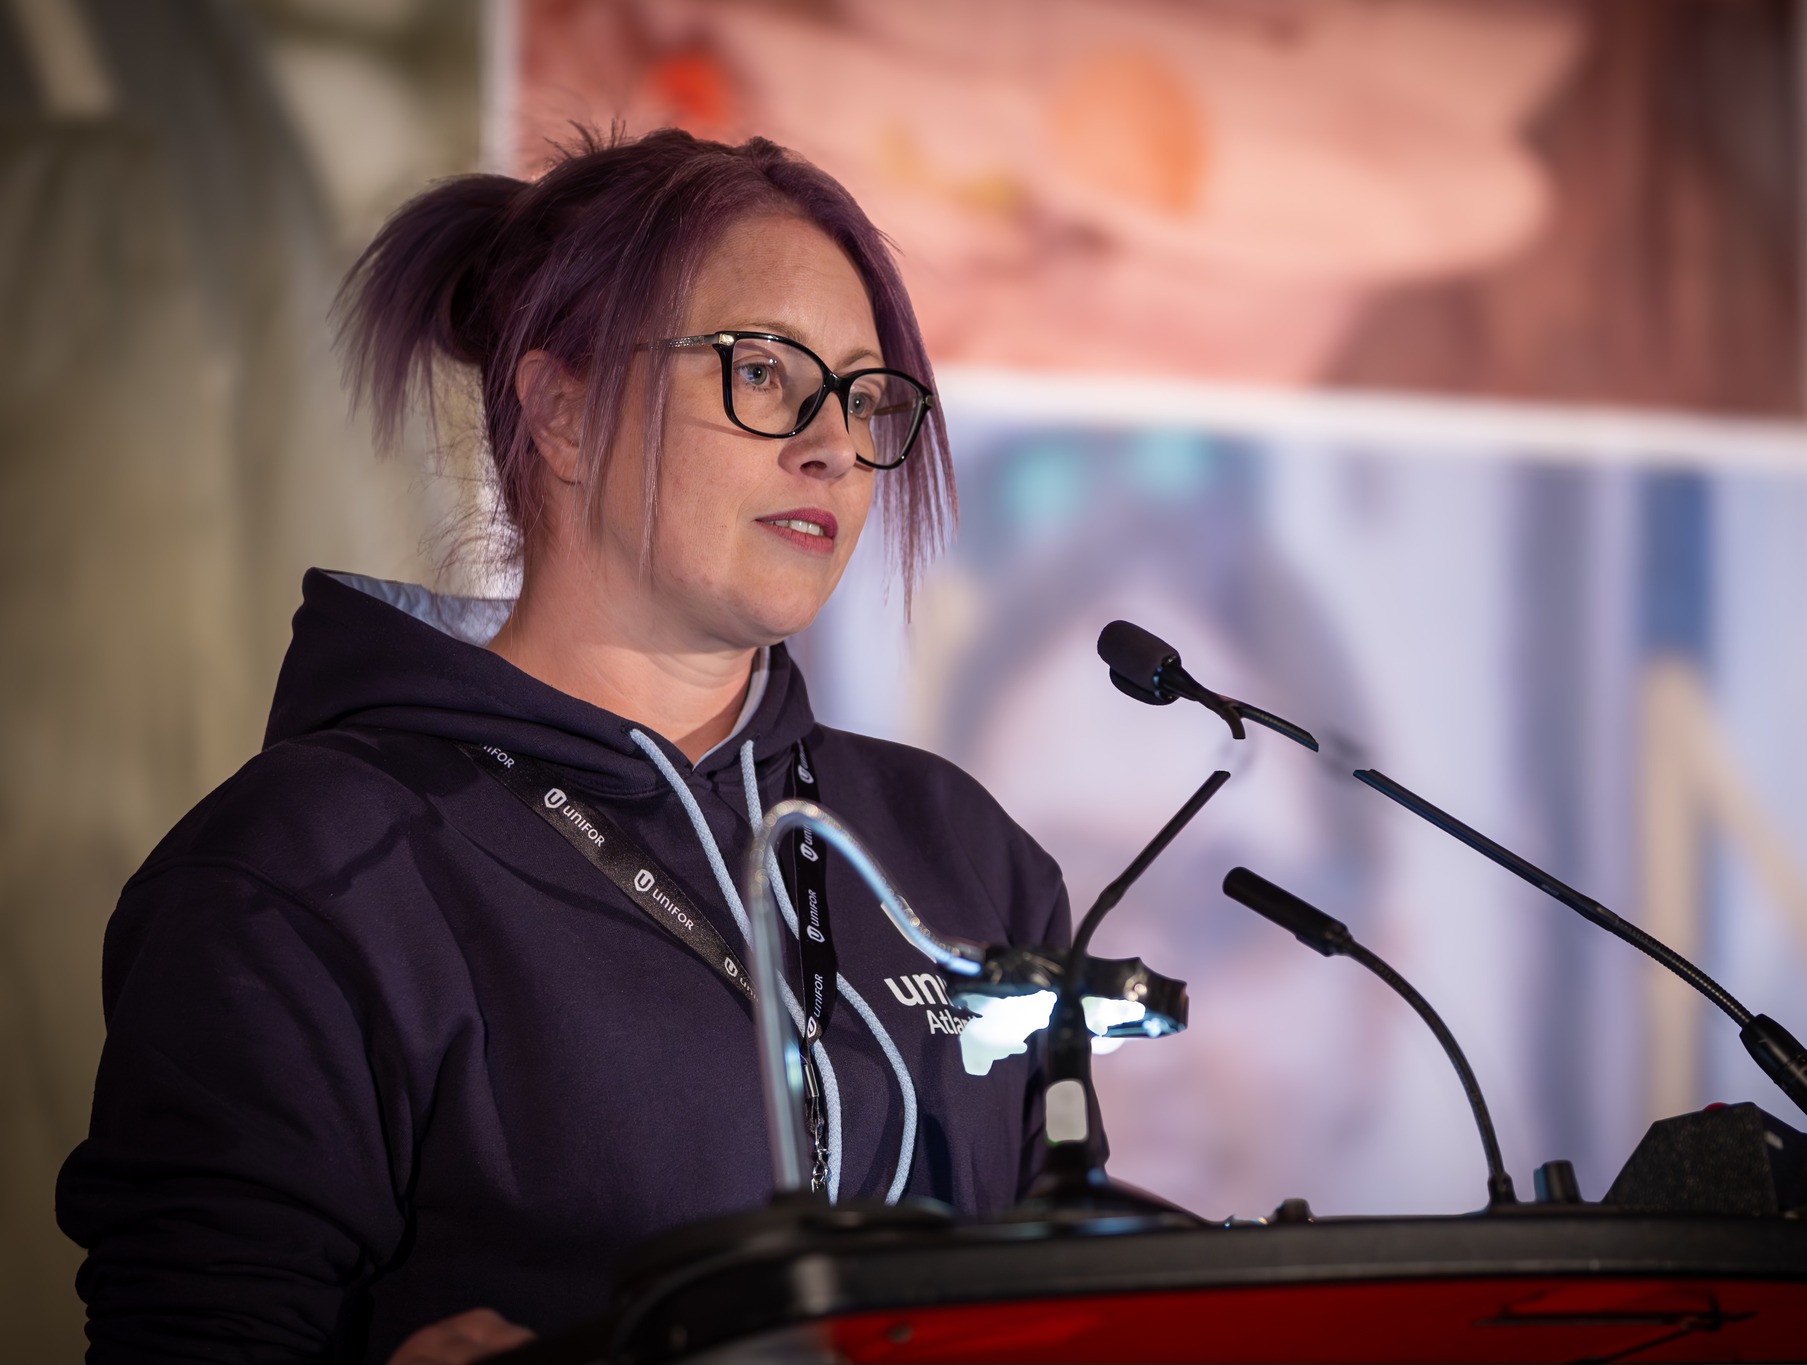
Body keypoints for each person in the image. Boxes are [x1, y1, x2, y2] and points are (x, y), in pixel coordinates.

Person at [55, 130, 1072, 1364]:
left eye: (865, 399)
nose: (833, 447)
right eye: (762, 371)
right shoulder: (311, 865)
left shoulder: (963, 852)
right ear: (563, 412)